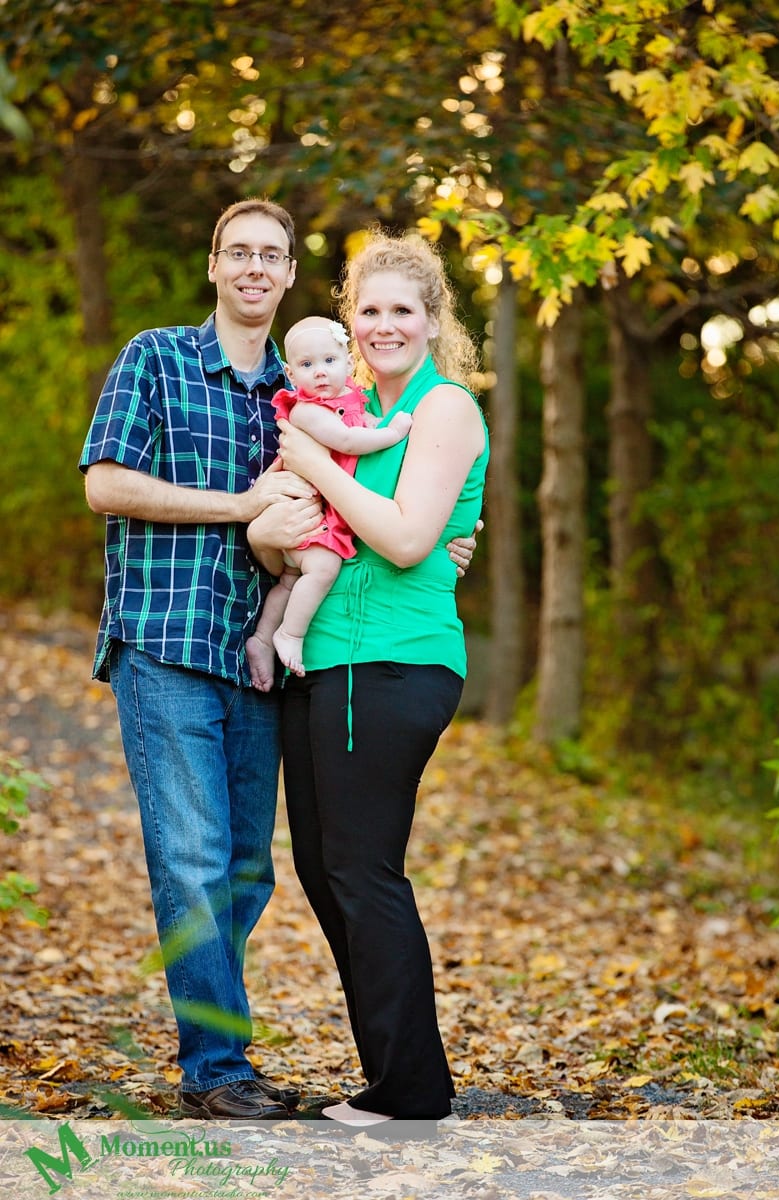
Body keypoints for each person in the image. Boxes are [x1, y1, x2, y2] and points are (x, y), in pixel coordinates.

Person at [79, 199, 479, 1123]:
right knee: (194, 859)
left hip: (265, 659)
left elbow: (387, 512)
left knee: (252, 871)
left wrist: (456, 536)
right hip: (172, 639)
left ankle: (248, 1040)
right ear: (214, 264)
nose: (255, 267)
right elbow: (104, 484)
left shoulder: (316, 388)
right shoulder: (161, 358)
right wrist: (243, 507)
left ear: (292, 274)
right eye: (239, 252)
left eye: (273, 254)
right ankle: (216, 1068)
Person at [252, 230, 490, 1126]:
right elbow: (296, 531)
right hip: (326, 661)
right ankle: (393, 1075)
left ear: (433, 321)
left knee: (362, 868)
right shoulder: (348, 412)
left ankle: (412, 1092)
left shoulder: (443, 408)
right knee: (325, 868)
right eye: (370, 310)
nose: (385, 324)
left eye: (403, 310)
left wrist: (312, 465)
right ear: (351, 322)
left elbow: (401, 539)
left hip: (392, 663)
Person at [246, 316, 413, 690]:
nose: (320, 373)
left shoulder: (351, 399)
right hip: (299, 512)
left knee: (290, 581)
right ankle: (290, 634)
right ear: (290, 373)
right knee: (323, 568)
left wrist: (372, 421)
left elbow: (359, 424)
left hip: (318, 514)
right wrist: (392, 432)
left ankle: (260, 638)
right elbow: (348, 442)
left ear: (348, 361)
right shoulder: (306, 411)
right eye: (307, 365)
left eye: (329, 361)